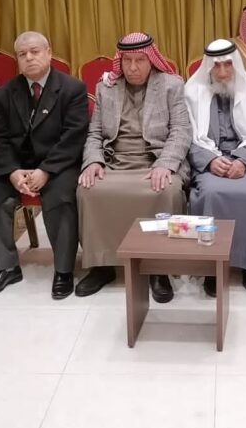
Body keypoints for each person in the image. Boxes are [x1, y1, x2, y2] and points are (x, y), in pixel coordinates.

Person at [0, 32, 88, 300]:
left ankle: (64, 270)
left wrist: (45, 171)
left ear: (49, 52)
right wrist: (12, 172)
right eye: (22, 54)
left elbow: (74, 137)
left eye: (35, 51)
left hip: (58, 164)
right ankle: (4, 268)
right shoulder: (5, 93)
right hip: (17, 165)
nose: (29, 58)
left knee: (61, 196)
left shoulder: (72, 89)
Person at [75, 33, 191, 300]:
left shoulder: (172, 85)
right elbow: (95, 133)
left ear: (151, 60)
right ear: (120, 61)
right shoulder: (106, 87)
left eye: (140, 60)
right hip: (115, 162)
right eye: (127, 61)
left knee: (166, 190)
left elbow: (181, 130)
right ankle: (102, 265)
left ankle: (158, 268)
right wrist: (93, 161)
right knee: (88, 190)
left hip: (154, 160)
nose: (133, 67)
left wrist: (166, 164)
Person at [185, 39, 246, 295]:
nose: (223, 72)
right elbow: (186, 137)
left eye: (228, 65)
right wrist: (209, 160)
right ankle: (212, 266)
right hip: (209, 159)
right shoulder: (192, 91)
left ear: (236, 64)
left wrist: (243, 161)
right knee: (211, 194)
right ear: (208, 67)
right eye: (216, 66)